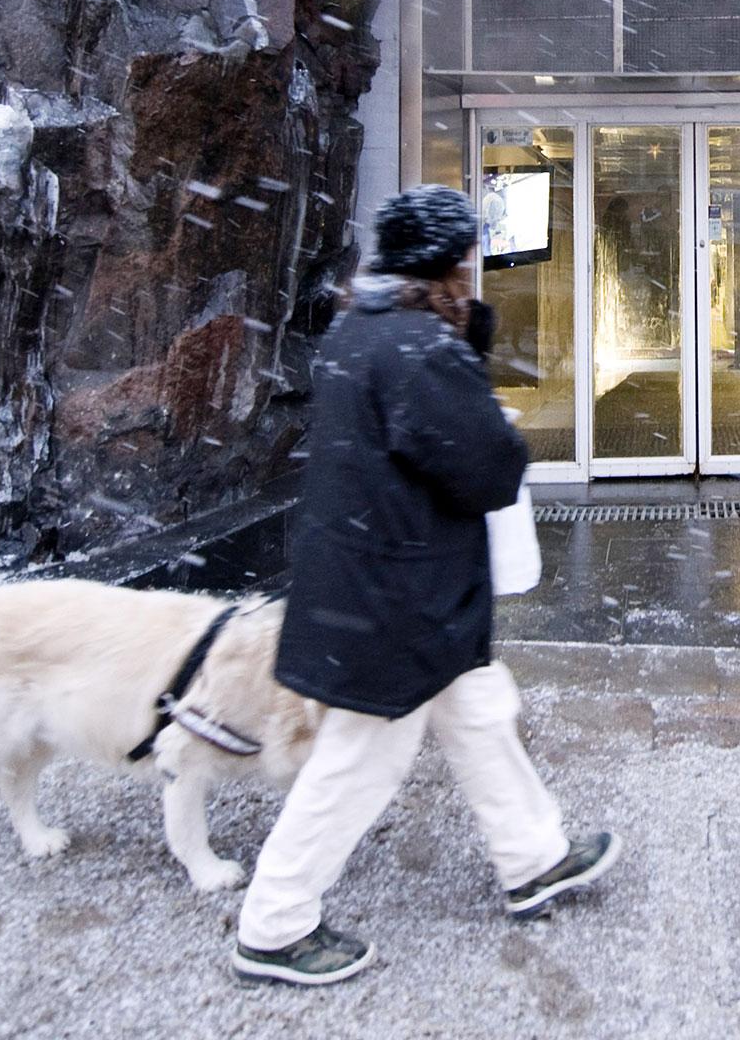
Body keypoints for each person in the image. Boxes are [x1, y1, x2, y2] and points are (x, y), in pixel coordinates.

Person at [232, 184, 620, 987]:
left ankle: (534, 857)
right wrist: (480, 388)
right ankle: (274, 924)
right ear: (446, 263)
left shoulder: (358, 330)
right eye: (467, 259)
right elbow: (485, 467)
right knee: (359, 763)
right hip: (400, 602)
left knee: (480, 716)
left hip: (372, 580)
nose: (474, 272)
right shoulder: (416, 348)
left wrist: (461, 348)